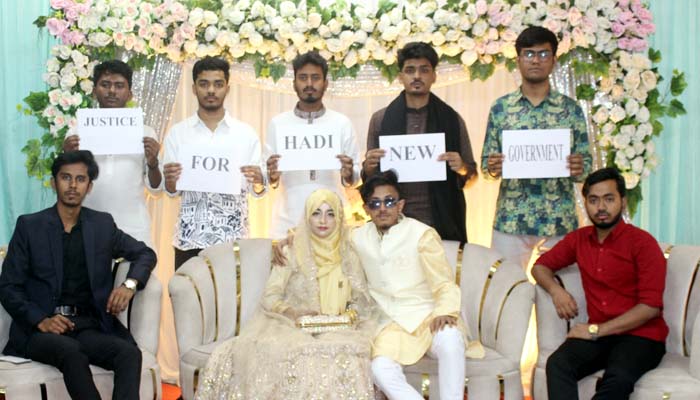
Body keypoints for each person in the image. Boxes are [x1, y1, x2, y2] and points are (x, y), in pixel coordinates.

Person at [0, 150, 156, 400]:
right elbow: (8, 287)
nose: (73, 185)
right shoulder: (30, 226)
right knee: (71, 352)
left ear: (89, 186)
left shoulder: (102, 225)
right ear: (54, 183)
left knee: (128, 354)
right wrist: (41, 320)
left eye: (80, 179)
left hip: (88, 325)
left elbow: (145, 253)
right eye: (66, 177)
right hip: (41, 330)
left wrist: (129, 284)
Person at [194, 189, 376, 399]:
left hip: (339, 327)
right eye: (316, 213)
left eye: (330, 214)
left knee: (347, 355)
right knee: (294, 353)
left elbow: (359, 299)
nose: (323, 220)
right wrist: (291, 312)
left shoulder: (348, 253)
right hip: (292, 325)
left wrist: (347, 316)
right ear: (307, 217)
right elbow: (271, 295)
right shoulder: (292, 250)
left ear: (339, 218)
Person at [531, 167, 667, 400]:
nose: (601, 207)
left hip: (641, 336)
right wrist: (556, 291)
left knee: (618, 378)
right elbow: (540, 267)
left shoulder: (643, 243)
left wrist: (595, 331)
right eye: (593, 200)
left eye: (609, 199)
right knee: (558, 364)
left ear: (623, 201)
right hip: (599, 336)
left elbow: (650, 307)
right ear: (585, 203)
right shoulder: (579, 239)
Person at [352, 170, 483, 400]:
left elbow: (443, 281)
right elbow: (325, 240)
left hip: (427, 315)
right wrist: (290, 240)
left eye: (389, 201)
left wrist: (445, 311)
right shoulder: (357, 237)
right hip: (389, 323)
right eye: (375, 203)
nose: (382, 208)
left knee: (451, 339)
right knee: (379, 369)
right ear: (366, 209)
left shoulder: (422, 234)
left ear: (400, 205)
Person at [481, 26, 592, 269]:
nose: (535, 60)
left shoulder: (570, 109)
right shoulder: (501, 108)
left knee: (561, 289)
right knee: (505, 287)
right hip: (511, 219)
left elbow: (585, 166)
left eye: (543, 54)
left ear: (554, 60)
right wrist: (492, 167)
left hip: (559, 219)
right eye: (529, 54)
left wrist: (579, 167)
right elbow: (486, 167)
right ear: (518, 60)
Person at [362, 42, 477, 243]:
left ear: (434, 76)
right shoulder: (381, 119)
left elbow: (472, 175)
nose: (417, 76)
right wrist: (369, 167)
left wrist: (462, 167)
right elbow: (370, 181)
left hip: (442, 220)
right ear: (400, 76)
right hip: (394, 222)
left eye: (424, 70)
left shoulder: (452, 119)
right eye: (410, 70)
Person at [162, 57, 265, 270]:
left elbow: (257, 190)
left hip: (233, 239)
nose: (211, 90)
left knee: (231, 294)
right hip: (189, 239)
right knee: (186, 293)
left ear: (227, 88)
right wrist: (170, 180)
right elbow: (171, 191)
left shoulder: (245, 134)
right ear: (194, 88)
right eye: (204, 84)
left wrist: (258, 179)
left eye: (218, 84)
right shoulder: (178, 133)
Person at [62, 60, 162, 246]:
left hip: (133, 228)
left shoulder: (145, 133)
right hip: (86, 226)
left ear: (130, 93)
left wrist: (153, 162)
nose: (112, 91)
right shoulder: (77, 132)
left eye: (119, 86)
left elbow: (156, 188)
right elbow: (65, 183)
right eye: (105, 85)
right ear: (94, 91)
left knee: (137, 267)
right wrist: (66, 156)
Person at [265, 51, 360, 238]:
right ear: (294, 83)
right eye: (303, 78)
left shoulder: (341, 123)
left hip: (332, 218)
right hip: (289, 219)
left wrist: (349, 174)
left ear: (325, 83)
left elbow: (355, 176)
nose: (309, 84)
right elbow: (267, 174)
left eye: (315, 78)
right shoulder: (279, 124)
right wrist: (272, 176)